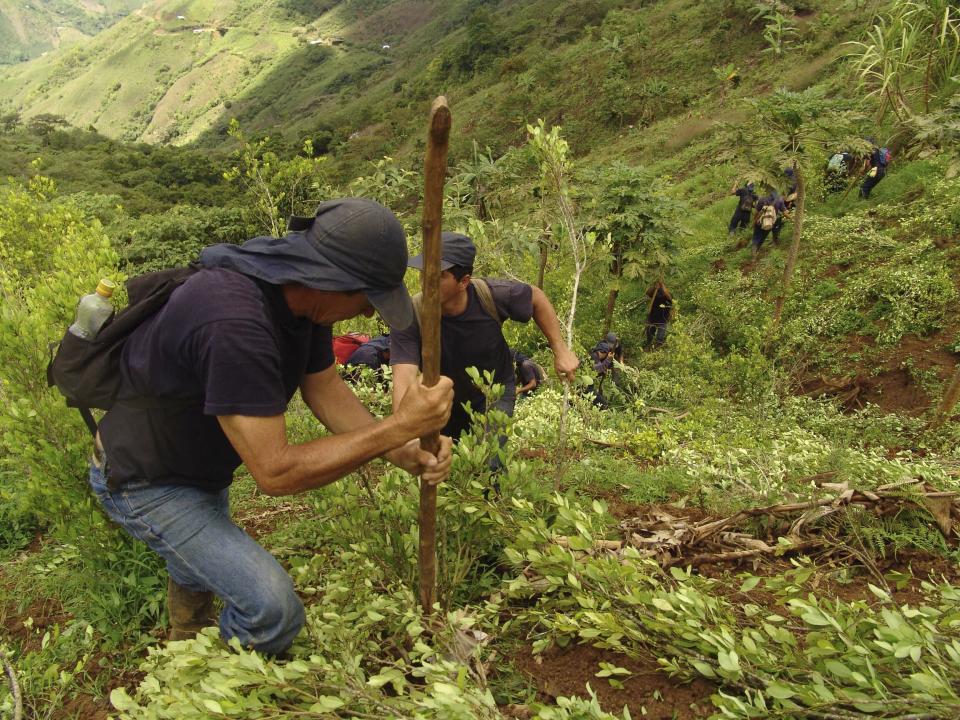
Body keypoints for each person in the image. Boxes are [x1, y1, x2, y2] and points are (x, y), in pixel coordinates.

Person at [88, 198, 455, 656]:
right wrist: (400, 427)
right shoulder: (234, 322)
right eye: (366, 299)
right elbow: (276, 472)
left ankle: (187, 636)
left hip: (194, 466)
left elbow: (323, 386)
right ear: (330, 281)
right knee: (272, 611)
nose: (366, 316)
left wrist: (400, 449)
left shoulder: (300, 301)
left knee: (197, 557)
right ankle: (204, 683)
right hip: (144, 480)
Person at [391, 232, 579, 448]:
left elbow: (535, 297)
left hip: (494, 391)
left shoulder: (492, 295)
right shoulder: (410, 315)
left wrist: (560, 349)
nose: (425, 282)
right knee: (444, 462)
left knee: (489, 461)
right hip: (442, 397)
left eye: (438, 275)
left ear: (464, 281)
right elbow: (403, 378)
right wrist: (402, 433)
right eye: (424, 273)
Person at [751, 191, 786, 257]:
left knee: (756, 237)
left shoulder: (762, 199)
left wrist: (754, 221)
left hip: (759, 222)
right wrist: (792, 218)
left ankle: (754, 250)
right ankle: (757, 249)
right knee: (762, 237)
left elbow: (756, 212)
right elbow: (785, 213)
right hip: (769, 223)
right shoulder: (779, 200)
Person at [645, 280, 673, 346]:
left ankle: (657, 347)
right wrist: (655, 287)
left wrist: (662, 284)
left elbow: (669, 296)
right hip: (652, 317)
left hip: (663, 318)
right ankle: (649, 345)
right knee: (649, 333)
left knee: (660, 337)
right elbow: (647, 292)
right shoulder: (654, 292)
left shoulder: (667, 294)